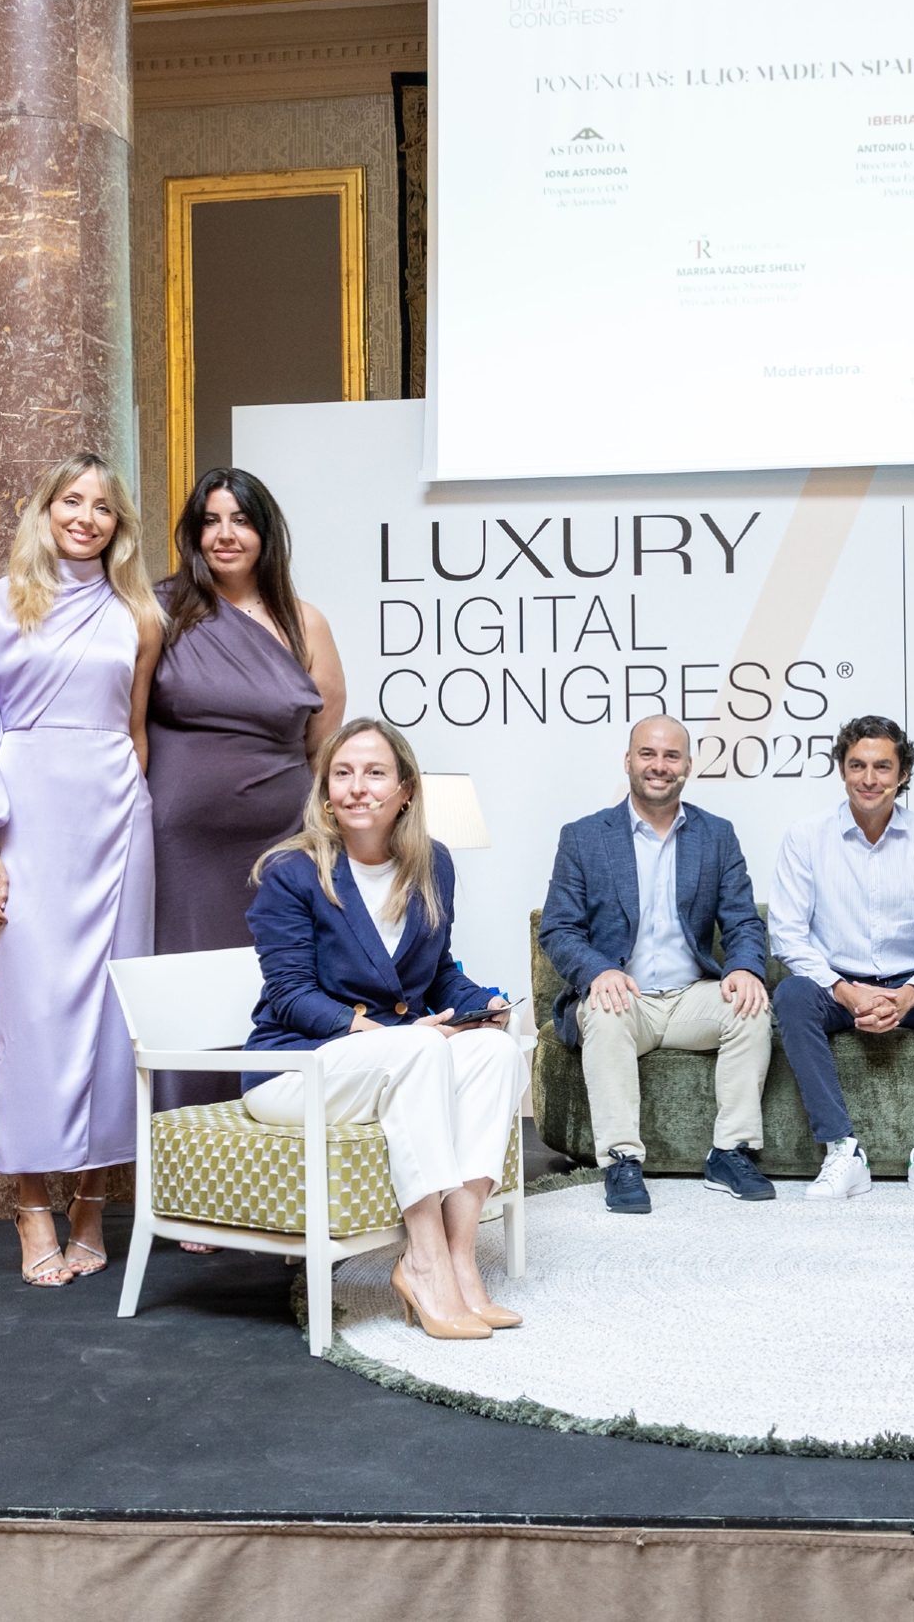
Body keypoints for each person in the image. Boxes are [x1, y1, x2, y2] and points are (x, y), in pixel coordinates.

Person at [0, 452, 163, 1288]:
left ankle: (92, 1202)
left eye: (103, 506)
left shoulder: (138, 613)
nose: (86, 517)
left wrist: (133, 808)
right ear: (45, 509)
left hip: (117, 824)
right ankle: (30, 1205)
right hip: (25, 822)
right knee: (29, 1015)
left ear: (118, 524)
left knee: (113, 1016)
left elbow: (136, 732)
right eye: (72, 500)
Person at [243, 718, 523, 1339]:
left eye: (375, 773)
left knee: (495, 1052)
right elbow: (290, 996)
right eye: (342, 773)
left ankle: (460, 1259)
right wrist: (389, 1035)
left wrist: (482, 1004)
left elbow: (437, 971)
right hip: (297, 1068)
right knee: (420, 1046)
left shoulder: (434, 864)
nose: (357, 787)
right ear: (325, 791)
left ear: (405, 791)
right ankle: (422, 1262)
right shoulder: (292, 871)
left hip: (389, 1063)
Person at [146, 466, 346, 1121]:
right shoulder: (159, 610)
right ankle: (188, 1153)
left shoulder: (305, 622)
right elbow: (125, 721)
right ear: (193, 532)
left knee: (277, 977)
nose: (225, 534)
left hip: (280, 843)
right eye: (210, 520)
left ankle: (277, 1139)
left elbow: (321, 746)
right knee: (188, 990)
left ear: (265, 532)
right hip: (182, 846)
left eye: (240, 520)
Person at [539, 715, 774, 1214]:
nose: (659, 766)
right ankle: (622, 1161)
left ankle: (730, 1153)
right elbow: (558, 929)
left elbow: (743, 922)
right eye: (648, 754)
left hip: (692, 997)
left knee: (751, 1007)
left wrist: (745, 968)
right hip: (626, 997)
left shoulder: (716, 835)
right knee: (604, 1009)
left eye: (671, 756)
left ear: (688, 765)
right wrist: (597, 971)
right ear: (628, 761)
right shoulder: (584, 837)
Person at [770, 716, 914, 1205]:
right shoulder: (806, 837)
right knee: (791, 994)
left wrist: (908, 995)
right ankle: (842, 1151)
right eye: (857, 766)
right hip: (836, 987)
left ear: (903, 773)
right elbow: (786, 933)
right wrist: (845, 991)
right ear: (842, 770)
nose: (869, 779)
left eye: (882, 767)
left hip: (913, 985)